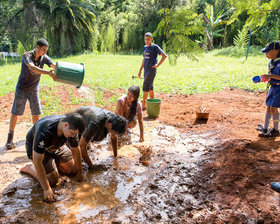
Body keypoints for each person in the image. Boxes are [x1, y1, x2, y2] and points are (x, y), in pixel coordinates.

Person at [20, 113, 85, 203]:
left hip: (56, 146)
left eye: (76, 134)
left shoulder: (71, 129)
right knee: (52, 181)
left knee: (73, 170)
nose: (74, 136)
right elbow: (38, 161)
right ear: (66, 125)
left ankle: (54, 166)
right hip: (38, 150)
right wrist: (46, 189)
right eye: (73, 133)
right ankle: (30, 168)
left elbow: (75, 149)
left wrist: (80, 171)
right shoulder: (44, 130)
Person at [5, 38, 57, 150]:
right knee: (16, 112)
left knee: (36, 113)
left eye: (46, 50)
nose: (44, 52)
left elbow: (54, 65)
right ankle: (10, 138)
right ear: (37, 47)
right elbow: (32, 67)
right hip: (22, 88)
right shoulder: (26, 55)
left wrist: (64, 70)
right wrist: (48, 73)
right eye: (43, 50)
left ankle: (36, 136)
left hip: (34, 89)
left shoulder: (44, 57)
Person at [138, 32, 167, 110]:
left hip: (151, 71)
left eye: (148, 39)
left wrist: (157, 65)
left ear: (151, 39)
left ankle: (144, 105)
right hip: (145, 70)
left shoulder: (155, 47)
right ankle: (153, 103)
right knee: (150, 87)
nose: (146, 41)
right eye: (145, 39)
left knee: (145, 87)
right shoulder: (145, 47)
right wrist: (140, 70)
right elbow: (143, 60)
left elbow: (164, 56)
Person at [258, 41, 280, 137]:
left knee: (273, 107)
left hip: (279, 88)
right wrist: (264, 79)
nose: (265, 54)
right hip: (273, 87)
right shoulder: (271, 62)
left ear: (275, 51)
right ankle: (265, 128)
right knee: (268, 106)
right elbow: (271, 76)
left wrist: (270, 75)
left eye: (267, 52)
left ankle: (275, 130)